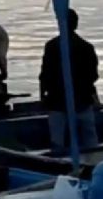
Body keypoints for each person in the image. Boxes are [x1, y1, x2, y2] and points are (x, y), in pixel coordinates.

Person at [39, 8, 99, 153]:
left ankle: (58, 159)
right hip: (82, 101)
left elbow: (45, 75)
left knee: (57, 140)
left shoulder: (51, 46)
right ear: (76, 24)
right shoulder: (87, 47)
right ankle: (93, 159)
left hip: (57, 101)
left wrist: (43, 96)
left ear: (60, 24)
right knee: (90, 139)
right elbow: (93, 75)